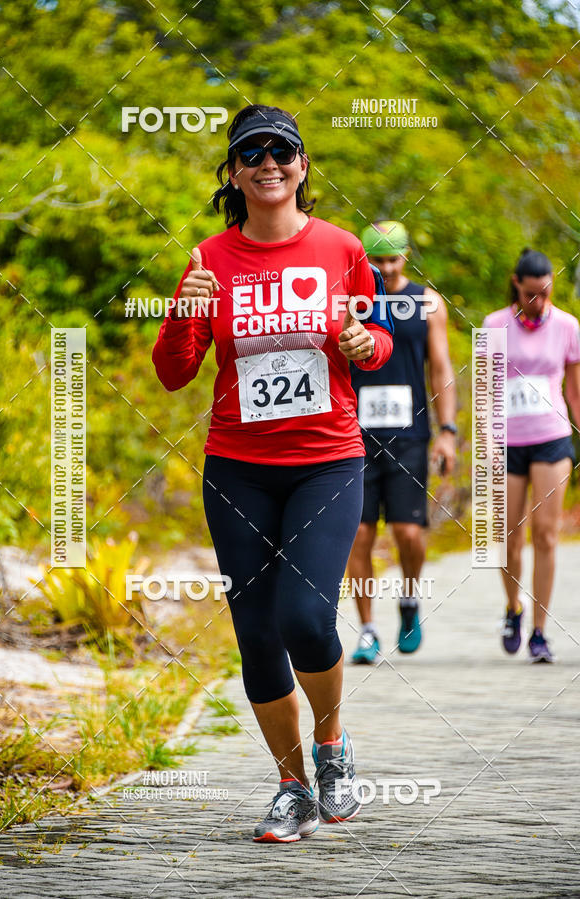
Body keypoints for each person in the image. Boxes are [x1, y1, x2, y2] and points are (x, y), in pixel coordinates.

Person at [152, 104, 393, 842]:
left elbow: (376, 337)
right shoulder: (209, 258)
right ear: (232, 173)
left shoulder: (340, 248)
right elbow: (173, 372)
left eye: (281, 151)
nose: (268, 164)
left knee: (305, 619)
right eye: (251, 153)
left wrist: (367, 344)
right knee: (257, 636)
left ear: (302, 165)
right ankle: (292, 788)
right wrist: (184, 312)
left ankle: (331, 745)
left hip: (326, 462)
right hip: (238, 470)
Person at [347, 221, 457, 663]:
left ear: (406, 256)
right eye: (377, 261)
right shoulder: (350, 300)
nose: (387, 269)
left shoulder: (428, 303)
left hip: (409, 433)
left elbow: (441, 367)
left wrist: (448, 432)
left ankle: (409, 601)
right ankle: (367, 629)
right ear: (364, 260)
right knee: (358, 533)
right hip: (354, 434)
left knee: (408, 532)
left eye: (393, 259)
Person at [483, 249, 580, 663]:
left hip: (551, 438)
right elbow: (486, 391)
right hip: (507, 442)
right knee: (509, 537)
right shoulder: (494, 325)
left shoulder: (568, 326)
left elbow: (575, 390)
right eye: (530, 294)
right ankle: (513, 608)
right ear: (516, 284)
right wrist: (487, 444)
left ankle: (540, 631)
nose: (538, 302)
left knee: (545, 534)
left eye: (545, 293)